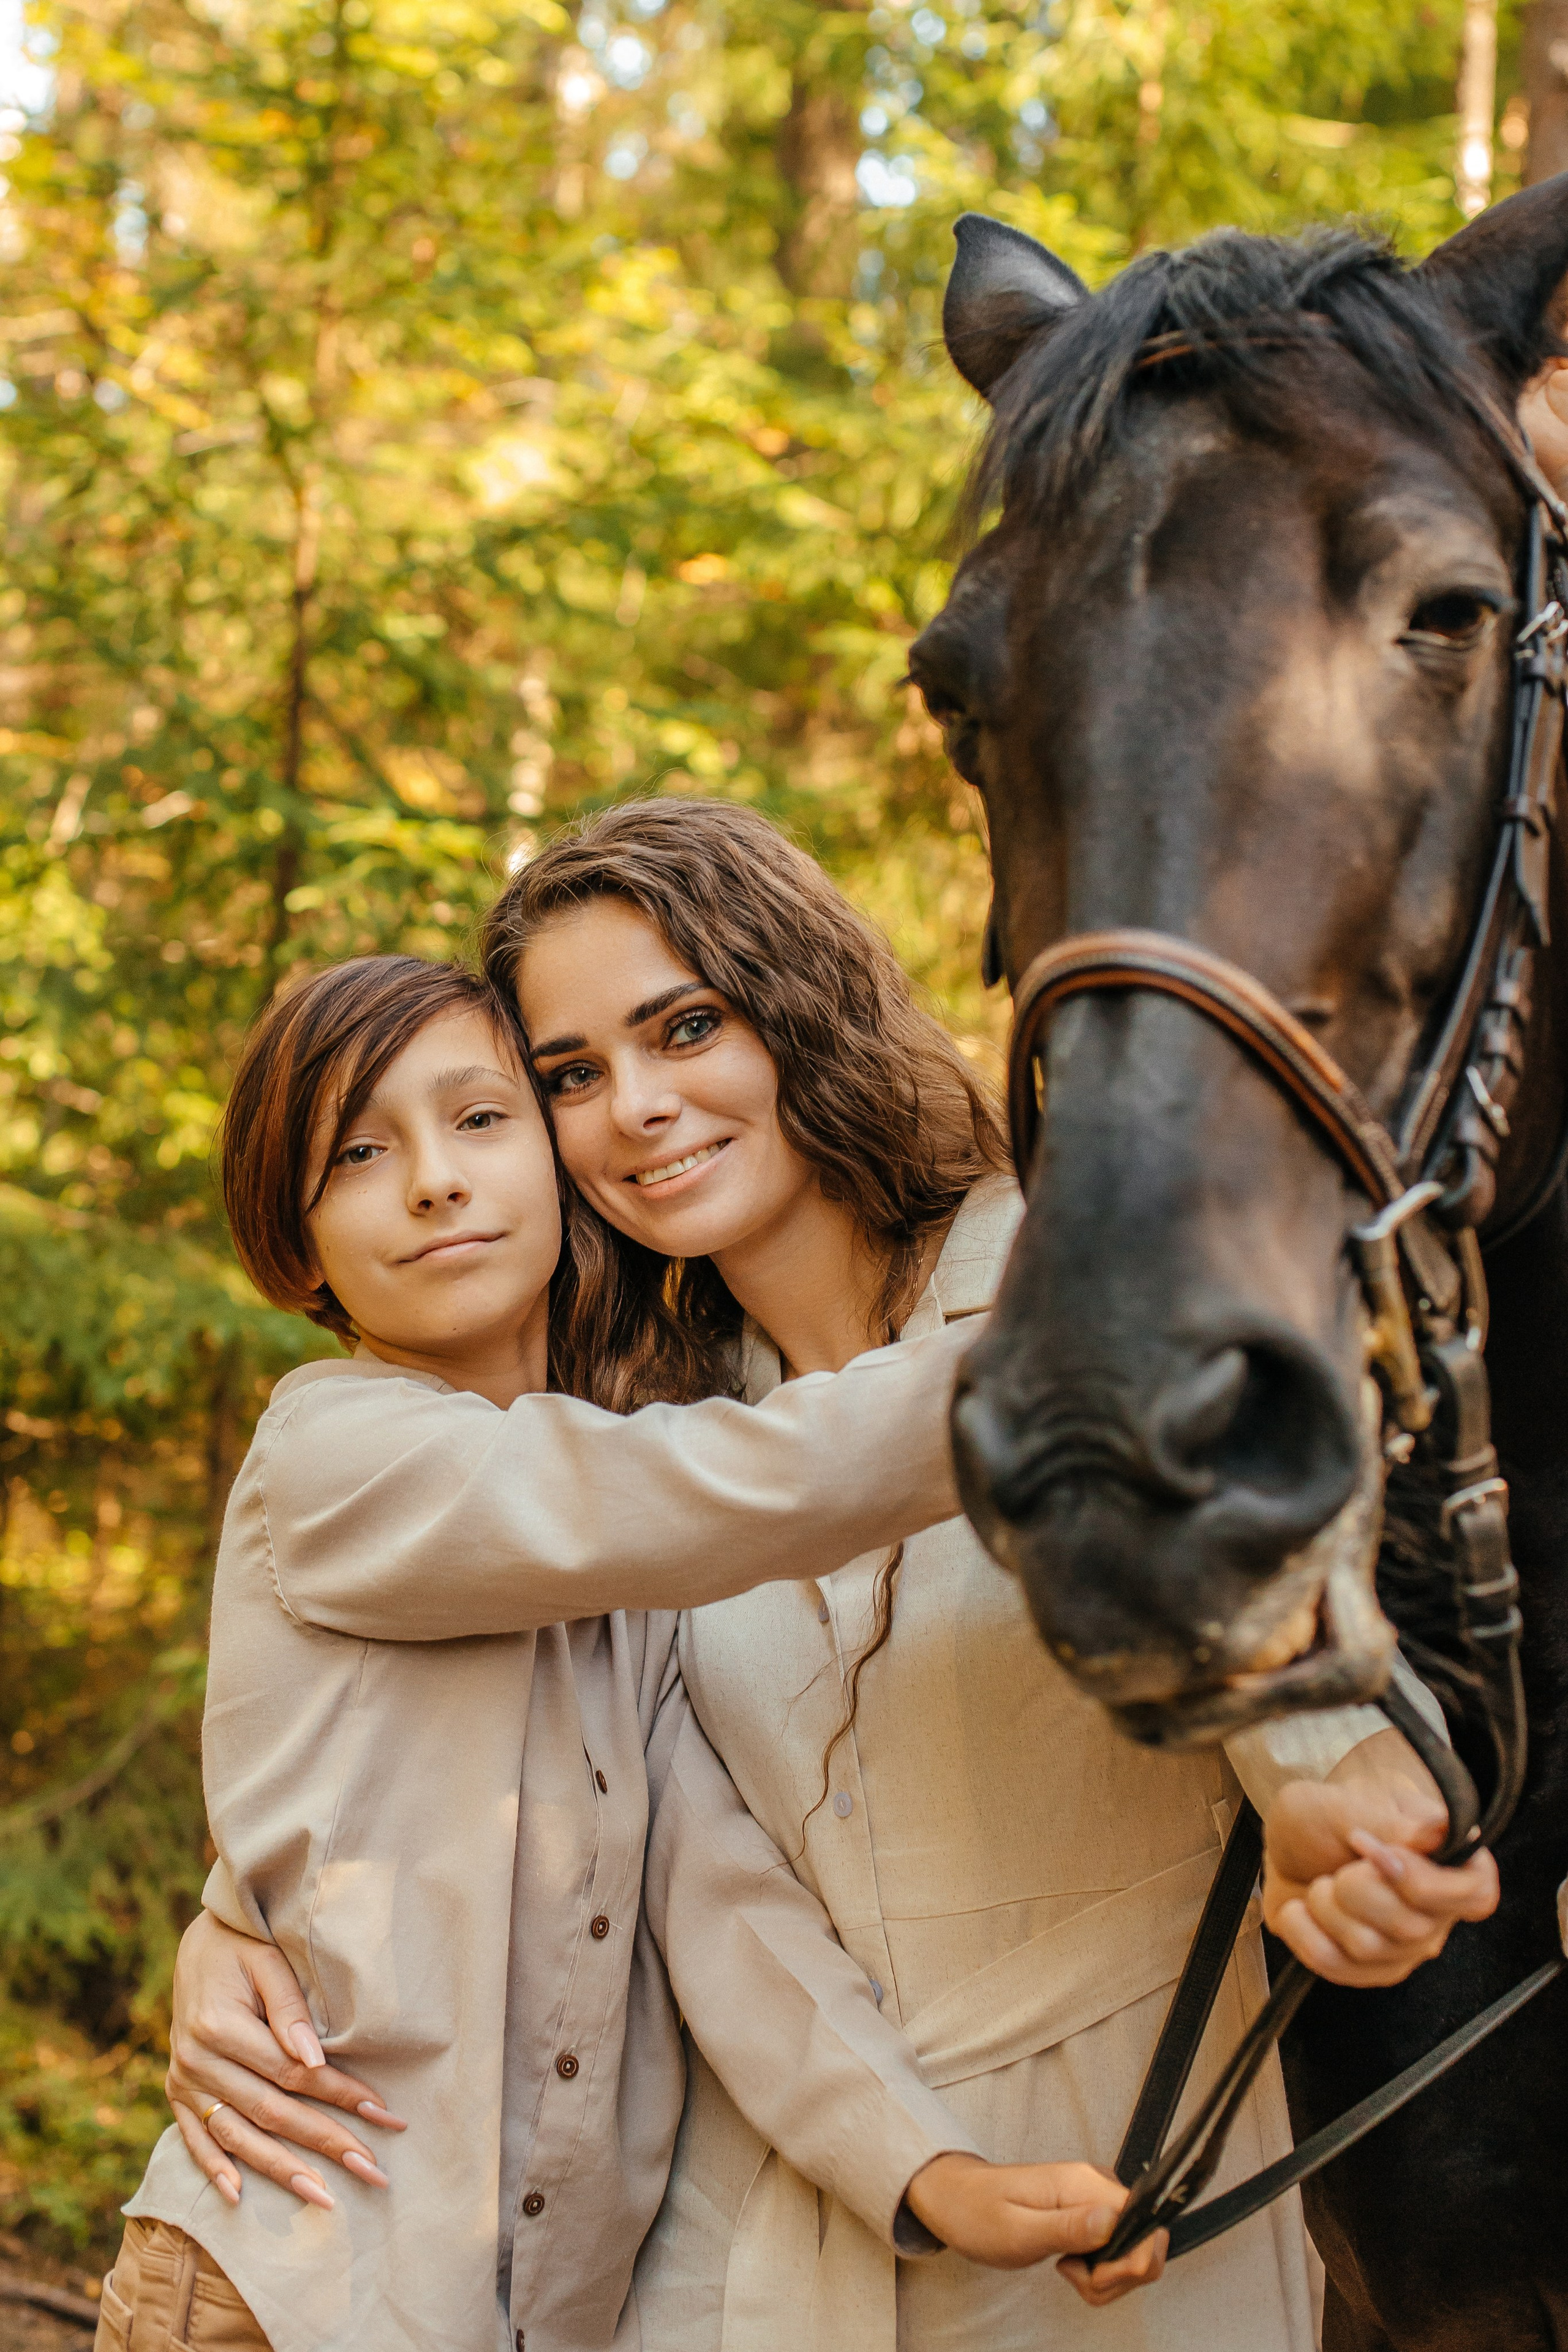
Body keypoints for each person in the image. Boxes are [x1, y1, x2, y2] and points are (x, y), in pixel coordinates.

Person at [162, 809, 1495, 2352]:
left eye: (686, 1026)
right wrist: (245, 1910)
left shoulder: (1081, 1289)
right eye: (575, 1076)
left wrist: (1332, 1798)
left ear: (799, 1007)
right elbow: (628, 1821)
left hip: (1098, 2209)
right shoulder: (631, 1434)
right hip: (726, 2254)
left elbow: (1248, 1581)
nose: (639, 1109)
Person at [100, 951, 1155, 2352]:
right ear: (293, 1246)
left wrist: (926, 2171)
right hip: (289, 2300)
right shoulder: (338, 1458)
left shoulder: (616, 1566)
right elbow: (741, 1485)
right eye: (358, 1154)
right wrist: (1087, 1329)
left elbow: (714, 1894)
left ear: (561, 1167)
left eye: (480, 1120)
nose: (432, 1179)